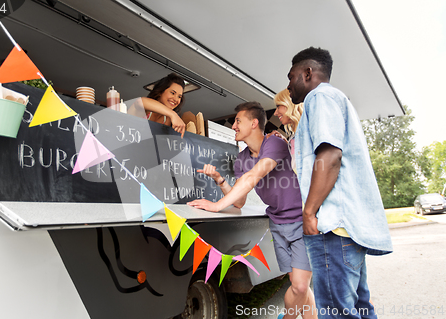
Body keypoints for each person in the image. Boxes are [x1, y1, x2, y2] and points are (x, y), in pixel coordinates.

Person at [286, 47, 393, 318]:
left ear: (308, 73)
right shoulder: (337, 99)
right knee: (359, 308)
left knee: (337, 313)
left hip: (333, 227)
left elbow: (330, 155)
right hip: (348, 229)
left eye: (292, 76)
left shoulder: (319, 97)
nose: (288, 85)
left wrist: (309, 211)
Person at [187, 102, 317, 319]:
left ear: (254, 123)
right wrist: (220, 180)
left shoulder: (274, 142)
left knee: (300, 286)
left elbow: (253, 176)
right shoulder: (241, 159)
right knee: (299, 284)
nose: (234, 126)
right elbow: (240, 201)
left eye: (238, 121)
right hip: (277, 223)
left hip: (300, 220)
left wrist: (217, 205)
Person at [127, 72, 186, 137]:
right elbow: (140, 102)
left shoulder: (167, 119)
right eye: (172, 93)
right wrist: (173, 114)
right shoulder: (146, 109)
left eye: (179, 97)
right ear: (161, 91)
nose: (175, 99)